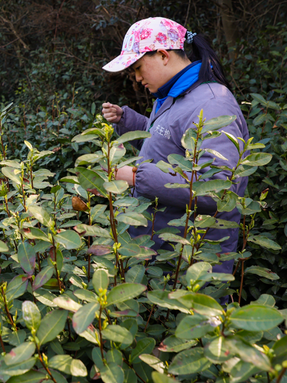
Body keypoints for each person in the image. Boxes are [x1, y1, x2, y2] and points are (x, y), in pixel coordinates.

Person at [101, 17, 249, 276]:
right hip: (162, 251)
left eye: (138, 68)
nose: (136, 78)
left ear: (162, 55)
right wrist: (127, 120)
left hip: (193, 262)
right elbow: (166, 143)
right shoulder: (172, 96)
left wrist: (133, 177)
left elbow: (219, 192)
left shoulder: (213, 104)